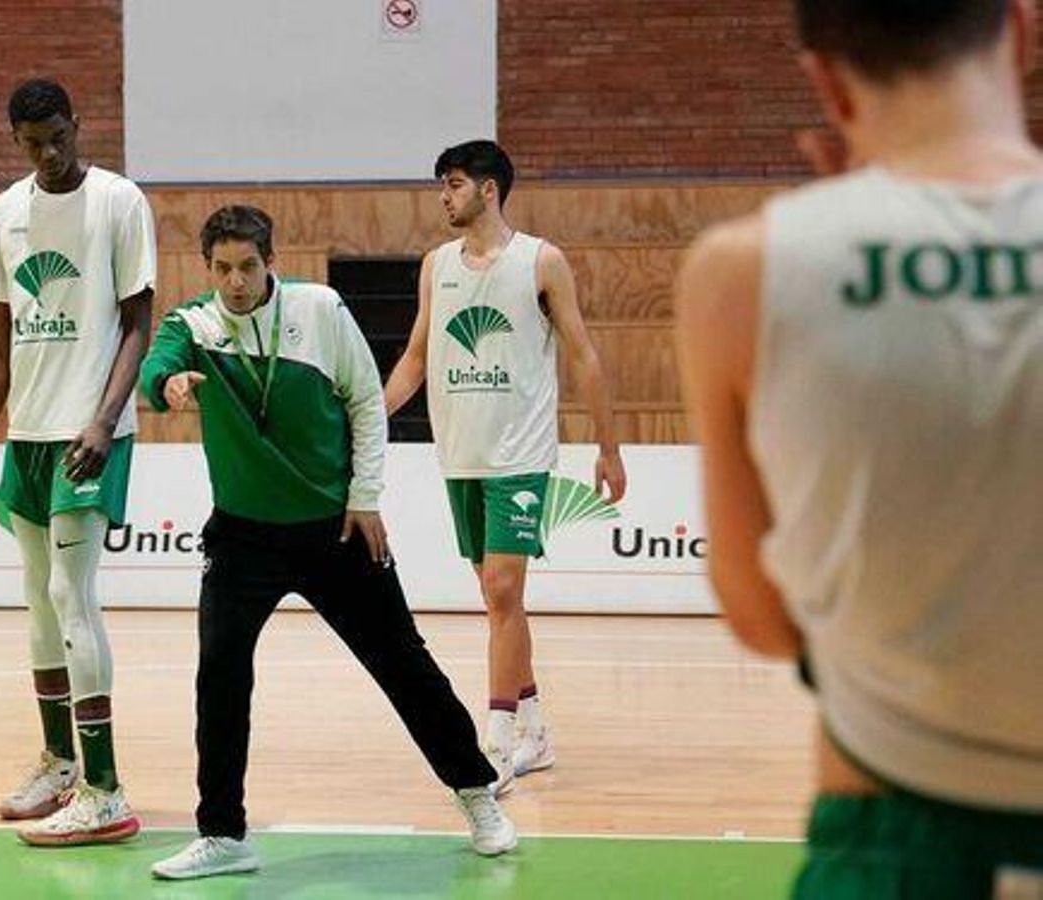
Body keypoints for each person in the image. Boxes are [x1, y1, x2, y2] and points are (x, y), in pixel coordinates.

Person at [673, 1, 1043, 895]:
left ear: (827, 81)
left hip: (894, 836)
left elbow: (759, 614)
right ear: (1023, 33)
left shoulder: (744, 269)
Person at [140, 205, 516, 881]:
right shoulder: (193, 325)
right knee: (219, 679)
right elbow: (154, 370)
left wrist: (365, 496)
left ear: (270, 260)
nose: (235, 282)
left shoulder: (320, 310)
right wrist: (167, 384)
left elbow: (366, 400)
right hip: (242, 539)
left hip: (334, 531)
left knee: (403, 663)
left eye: (247, 267)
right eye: (222, 269)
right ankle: (223, 833)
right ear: (207, 269)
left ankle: (476, 792)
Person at [383, 140, 627, 793]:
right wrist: (368, 418)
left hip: (520, 455)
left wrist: (608, 446)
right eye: (443, 184)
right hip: (461, 453)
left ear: (489, 191)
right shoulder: (437, 266)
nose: (444, 196)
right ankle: (536, 727)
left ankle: (493, 744)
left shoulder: (541, 261)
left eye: (455, 184)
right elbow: (414, 357)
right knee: (498, 603)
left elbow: (584, 356)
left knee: (501, 591)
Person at [0, 78, 155, 846]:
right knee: (39, 600)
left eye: (59, 138)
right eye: (33, 143)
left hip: (91, 432)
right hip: (29, 437)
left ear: (78, 125)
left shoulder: (118, 202)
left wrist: (105, 419)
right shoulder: (6, 212)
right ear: (16, 142)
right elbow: (0, 342)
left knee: (73, 594)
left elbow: (140, 322)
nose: (49, 153)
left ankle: (106, 790)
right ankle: (59, 762)